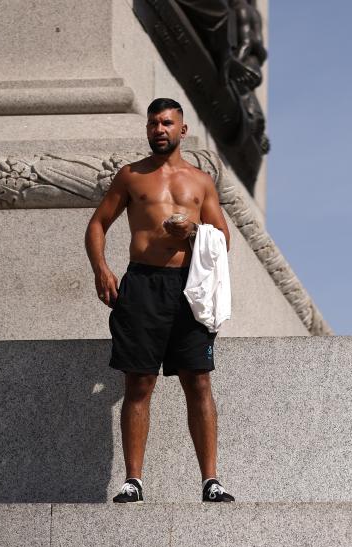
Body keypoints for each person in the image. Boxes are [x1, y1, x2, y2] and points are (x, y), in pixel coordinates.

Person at [84, 97, 235, 503]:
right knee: (139, 382)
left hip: (189, 288)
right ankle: (133, 480)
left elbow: (223, 240)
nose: (159, 130)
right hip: (142, 286)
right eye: (153, 124)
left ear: (182, 130)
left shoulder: (200, 181)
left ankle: (211, 480)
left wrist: (193, 230)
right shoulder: (132, 177)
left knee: (198, 380)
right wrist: (102, 269)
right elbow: (97, 224)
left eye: (167, 123)